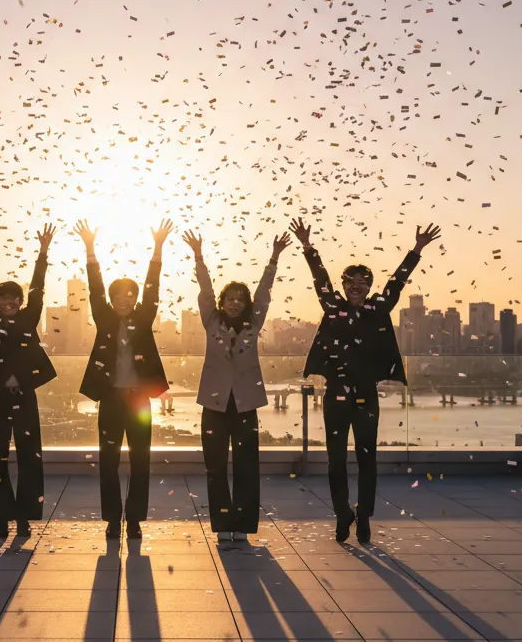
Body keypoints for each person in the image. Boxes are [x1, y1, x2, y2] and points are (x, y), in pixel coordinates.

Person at [291, 218, 441, 543]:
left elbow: (396, 284)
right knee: (335, 461)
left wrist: (416, 249)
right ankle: (343, 512)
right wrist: (307, 247)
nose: (356, 285)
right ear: (344, 285)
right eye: (351, 281)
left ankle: (365, 517)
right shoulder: (332, 307)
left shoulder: (377, 308)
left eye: (363, 280)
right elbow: (320, 280)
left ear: (369, 285)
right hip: (335, 396)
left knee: (366, 459)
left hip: (366, 397)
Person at [183, 229, 291, 541]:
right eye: (229, 299)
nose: (234, 303)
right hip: (214, 406)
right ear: (221, 302)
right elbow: (204, 290)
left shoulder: (253, 323)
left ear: (245, 304)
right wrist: (199, 256)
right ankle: (222, 525)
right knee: (215, 467)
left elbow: (264, 293)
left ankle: (242, 526)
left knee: (246, 467)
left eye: (239, 299)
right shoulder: (211, 322)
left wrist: (274, 257)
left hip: (245, 405)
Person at [75, 218, 173, 539]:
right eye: (118, 295)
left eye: (129, 295)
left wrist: (157, 248)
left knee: (141, 461)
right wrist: (90, 249)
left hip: (139, 399)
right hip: (111, 398)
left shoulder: (144, 319)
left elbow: (152, 287)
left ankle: (133, 519)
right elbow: (95, 288)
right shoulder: (103, 318)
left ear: (134, 299)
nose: (123, 299)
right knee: (109, 461)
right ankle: (112, 519)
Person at [0, 222, 57, 540]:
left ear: (19, 302)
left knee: (30, 458)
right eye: (1, 299)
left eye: (12, 300)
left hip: (25, 398)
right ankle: (3, 518)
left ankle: (25, 518)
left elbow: (38, 288)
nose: (6, 304)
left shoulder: (29, 318)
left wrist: (43, 252)